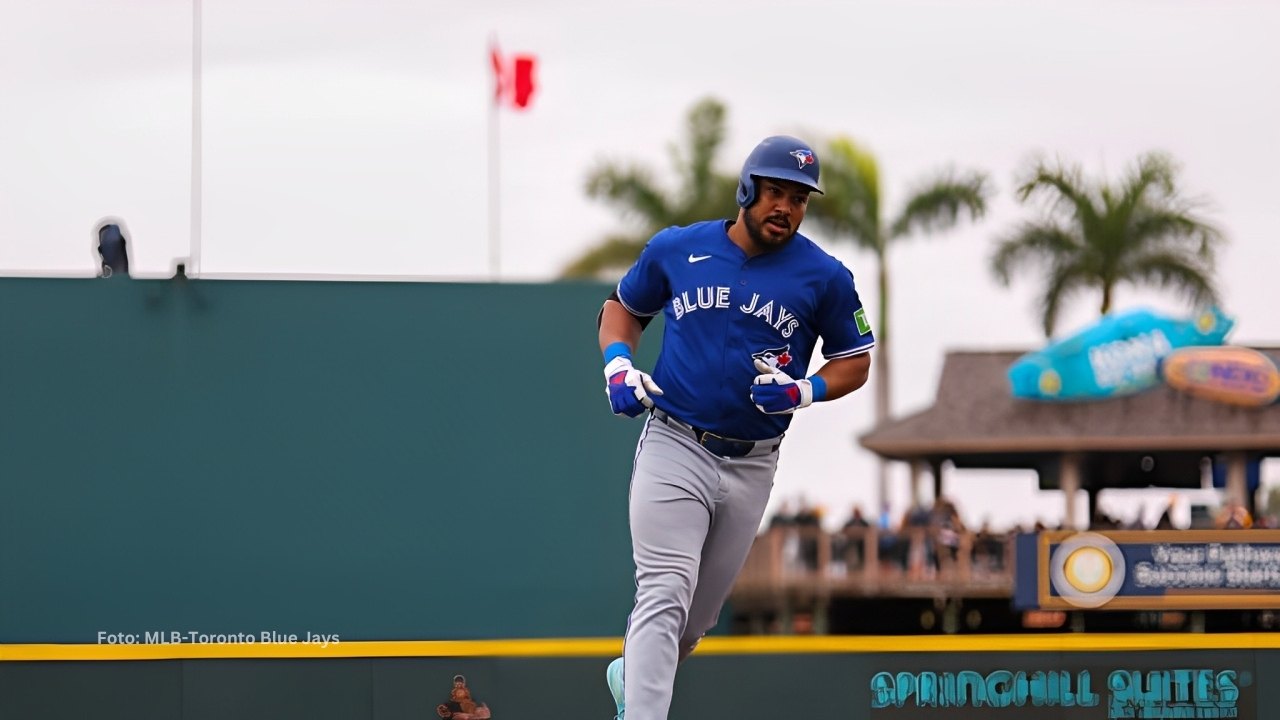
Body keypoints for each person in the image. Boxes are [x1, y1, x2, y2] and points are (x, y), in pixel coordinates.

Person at [596, 135, 874, 720]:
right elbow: (623, 309)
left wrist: (806, 389)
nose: (787, 208)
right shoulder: (679, 248)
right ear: (748, 189)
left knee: (693, 624)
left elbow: (856, 360)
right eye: (776, 192)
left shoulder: (824, 276)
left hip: (752, 460)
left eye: (799, 199)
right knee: (664, 592)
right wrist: (618, 363)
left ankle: (633, 675)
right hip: (676, 441)